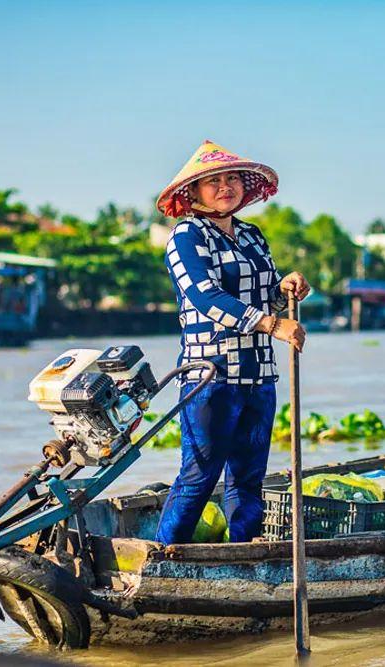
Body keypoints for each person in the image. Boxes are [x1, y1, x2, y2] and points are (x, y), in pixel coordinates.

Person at [153, 140, 310, 544]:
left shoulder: (252, 236)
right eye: (214, 181)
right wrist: (274, 326)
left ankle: (243, 556)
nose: (226, 187)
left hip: (258, 375)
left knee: (248, 479)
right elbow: (205, 298)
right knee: (199, 476)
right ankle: (165, 555)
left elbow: (262, 295)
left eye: (233, 179)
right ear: (194, 192)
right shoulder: (186, 236)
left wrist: (285, 289)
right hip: (211, 378)